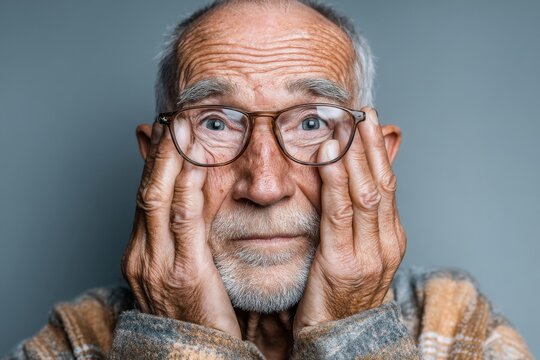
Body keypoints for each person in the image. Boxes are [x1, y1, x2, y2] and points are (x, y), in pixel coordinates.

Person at [3, 1, 533, 359]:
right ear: (155, 160)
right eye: (215, 122)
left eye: (310, 122)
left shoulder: (457, 322)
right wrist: (184, 342)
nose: (264, 185)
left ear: (379, 160)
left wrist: (356, 336)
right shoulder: (76, 340)